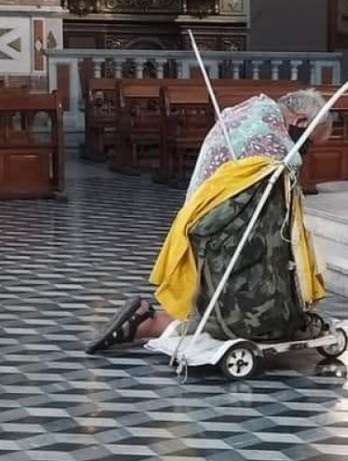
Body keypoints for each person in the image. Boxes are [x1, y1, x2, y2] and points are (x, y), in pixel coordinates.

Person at [85, 89, 334, 354]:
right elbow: (289, 164)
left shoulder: (255, 108)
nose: (306, 148)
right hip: (223, 220)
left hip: (206, 211)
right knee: (239, 292)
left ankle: (149, 320)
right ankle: (148, 324)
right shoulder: (268, 131)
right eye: (310, 141)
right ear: (300, 122)